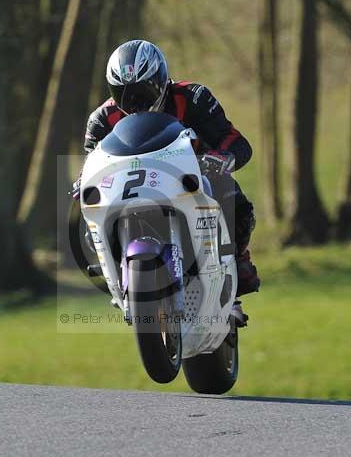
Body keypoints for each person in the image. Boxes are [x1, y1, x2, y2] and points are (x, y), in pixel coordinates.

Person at [74, 39, 260, 300]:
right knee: (89, 216)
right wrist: (83, 181)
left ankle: (237, 258)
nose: (134, 102)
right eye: (123, 93)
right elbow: (92, 160)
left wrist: (220, 158)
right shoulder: (102, 118)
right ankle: (114, 272)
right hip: (129, 188)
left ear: (160, 80)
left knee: (231, 193)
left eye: (142, 92)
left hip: (189, 180)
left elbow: (234, 140)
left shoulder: (193, 97)